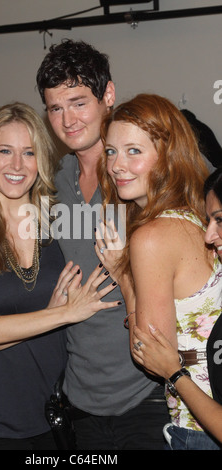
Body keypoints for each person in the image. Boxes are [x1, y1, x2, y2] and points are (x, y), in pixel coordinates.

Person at [0, 102, 119, 451]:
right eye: (5, 151)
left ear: (42, 162)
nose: (17, 165)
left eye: (29, 153)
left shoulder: (59, 224)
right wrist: (55, 315)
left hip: (66, 414)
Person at [36, 39, 170, 450]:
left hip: (149, 392)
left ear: (107, 95)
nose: (67, 119)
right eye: (55, 108)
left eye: (78, 102)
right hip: (80, 398)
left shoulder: (143, 178)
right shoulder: (50, 185)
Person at [97, 93, 222, 450]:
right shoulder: (199, 212)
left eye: (134, 151)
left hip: (198, 427)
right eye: (111, 151)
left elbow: (150, 355)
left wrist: (124, 280)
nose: (117, 165)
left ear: (167, 156)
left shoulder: (151, 237)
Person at [131, 167, 222, 445]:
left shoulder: (154, 238)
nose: (208, 236)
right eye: (208, 221)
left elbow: (149, 353)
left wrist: (175, 372)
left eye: (219, 220)